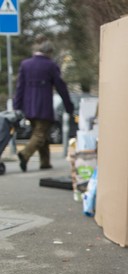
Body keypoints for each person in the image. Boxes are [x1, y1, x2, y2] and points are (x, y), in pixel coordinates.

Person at [13, 35, 74, 172]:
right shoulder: (51, 66)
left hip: (28, 107)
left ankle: (45, 162)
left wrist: (17, 107)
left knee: (42, 133)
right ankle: (25, 154)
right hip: (43, 107)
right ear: (49, 52)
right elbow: (61, 87)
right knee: (40, 134)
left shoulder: (25, 64)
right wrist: (68, 106)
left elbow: (20, 87)